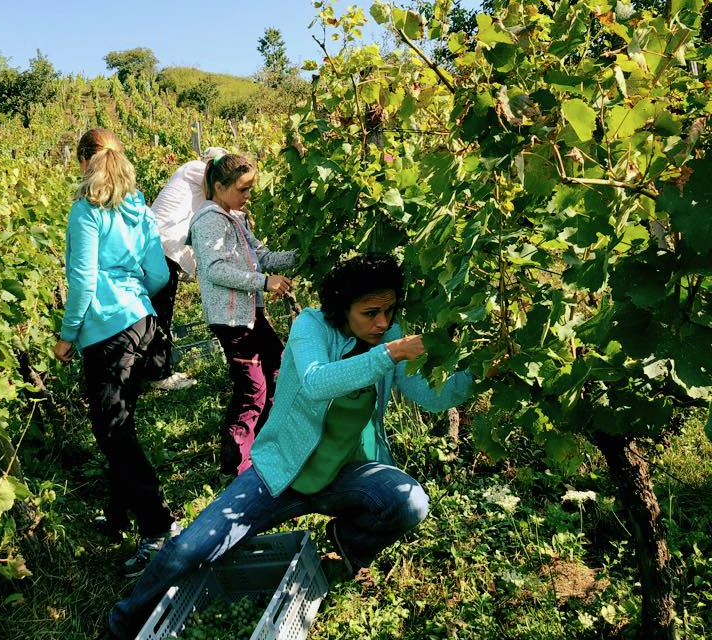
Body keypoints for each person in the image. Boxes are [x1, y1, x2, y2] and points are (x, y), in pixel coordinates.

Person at [105, 253, 475, 639]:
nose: (382, 322)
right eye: (370, 313)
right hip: (281, 474)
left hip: (345, 475)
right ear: (342, 308)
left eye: (389, 310)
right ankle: (123, 622)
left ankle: (344, 550)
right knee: (188, 551)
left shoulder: (386, 335)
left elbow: (431, 397)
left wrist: (479, 372)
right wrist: (389, 353)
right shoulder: (311, 326)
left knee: (410, 501)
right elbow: (316, 382)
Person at [53, 128, 180, 577]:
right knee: (121, 421)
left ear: (83, 159)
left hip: (107, 331)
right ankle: (118, 516)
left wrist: (68, 335)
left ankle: (158, 528)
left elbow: (83, 281)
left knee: (114, 433)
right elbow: (160, 274)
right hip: (141, 323)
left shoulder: (86, 211)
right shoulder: (139, 208)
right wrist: (132, 298)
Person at [188, 153, 296, 475]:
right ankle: (237, 465)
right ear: (219, 187)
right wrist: (264, 282)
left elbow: (260, 254)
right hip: (231, 319)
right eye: (243, 189)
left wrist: (300, 255)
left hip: (249, 314)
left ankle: (262, 446)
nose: (248, 196)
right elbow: (216, 269)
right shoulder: (209, 221)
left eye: (250, 189)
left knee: (277, 369)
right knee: (252, 388)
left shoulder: (235, 216)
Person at [144, 146, 228, 391]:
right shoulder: (195, 169)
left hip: (160, 246)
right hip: (162, 246)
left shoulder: (196, 182)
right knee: (160, 311)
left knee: (156, 309)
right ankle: (159, 375)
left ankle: (151, 370)